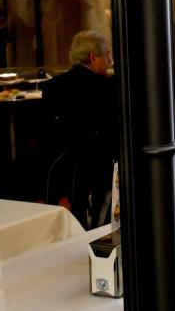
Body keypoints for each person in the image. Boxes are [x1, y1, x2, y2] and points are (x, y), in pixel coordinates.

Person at [41, 30, 119, 228]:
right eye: (107, 55)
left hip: (60, 175)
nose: (110, 61)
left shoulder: (52, 87)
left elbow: (49, 139)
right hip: (98, 172)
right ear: (93, 57)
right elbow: (114, 135)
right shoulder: (108, 88)